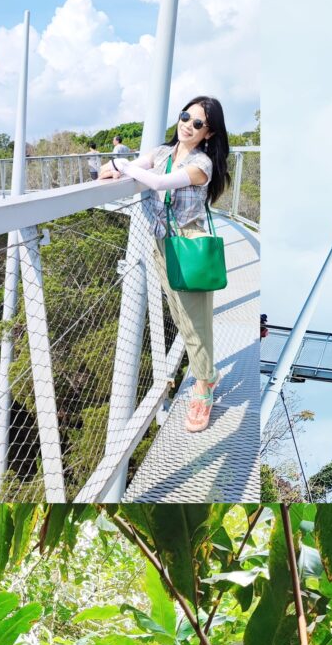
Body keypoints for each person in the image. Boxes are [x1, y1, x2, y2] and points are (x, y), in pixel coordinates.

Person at [99, 97, 236, 433]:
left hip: (189, 244)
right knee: (178, 315)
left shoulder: (202, 164)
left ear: (209, 132)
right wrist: (117, 167)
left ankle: (204, 385)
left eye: (197, 123)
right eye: (185, 116)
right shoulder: (162, 153)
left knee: (194, 321)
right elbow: (140, 165)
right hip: (162, 243)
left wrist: (122, 166)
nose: (187, 125)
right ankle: (207, 374)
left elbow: (158, 183)